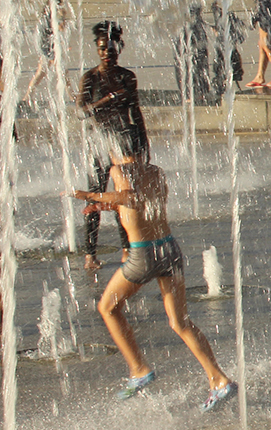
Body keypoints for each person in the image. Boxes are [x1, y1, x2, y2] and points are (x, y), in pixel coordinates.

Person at [71, 148, 236, 408]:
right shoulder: (155, 171)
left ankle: (139, 370)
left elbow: (131, 197)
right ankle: (219, 380)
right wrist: (106, 205)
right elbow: (144, 202)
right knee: (180, 322)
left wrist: (90, 195)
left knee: (108, 308)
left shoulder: (119, 170)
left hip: (143, 254)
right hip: (169, 248)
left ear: (116, 147)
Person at [77, 21, 149, 276]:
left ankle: (127, 249)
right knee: (95, 196)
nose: (107, 53)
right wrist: (108, 98)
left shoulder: (127, 77)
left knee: (123, 196)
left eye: (111, 49)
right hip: (98, 141)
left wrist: (143, 141)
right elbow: (81, 112)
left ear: (119, 48)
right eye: (102, 48)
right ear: (97, 50)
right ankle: (90, 253)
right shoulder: (90, 77)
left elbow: (135, 111)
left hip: (123, 140)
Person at [22, 0, 69, 104]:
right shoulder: (50, 18)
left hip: (44, 47)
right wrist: (63, 16)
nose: (59, 8)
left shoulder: (45, 16)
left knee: (41, 73)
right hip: (46, 48)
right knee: (62, 71)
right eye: (58, 6)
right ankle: (72, 96)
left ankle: (27, 96)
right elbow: (61, 28)